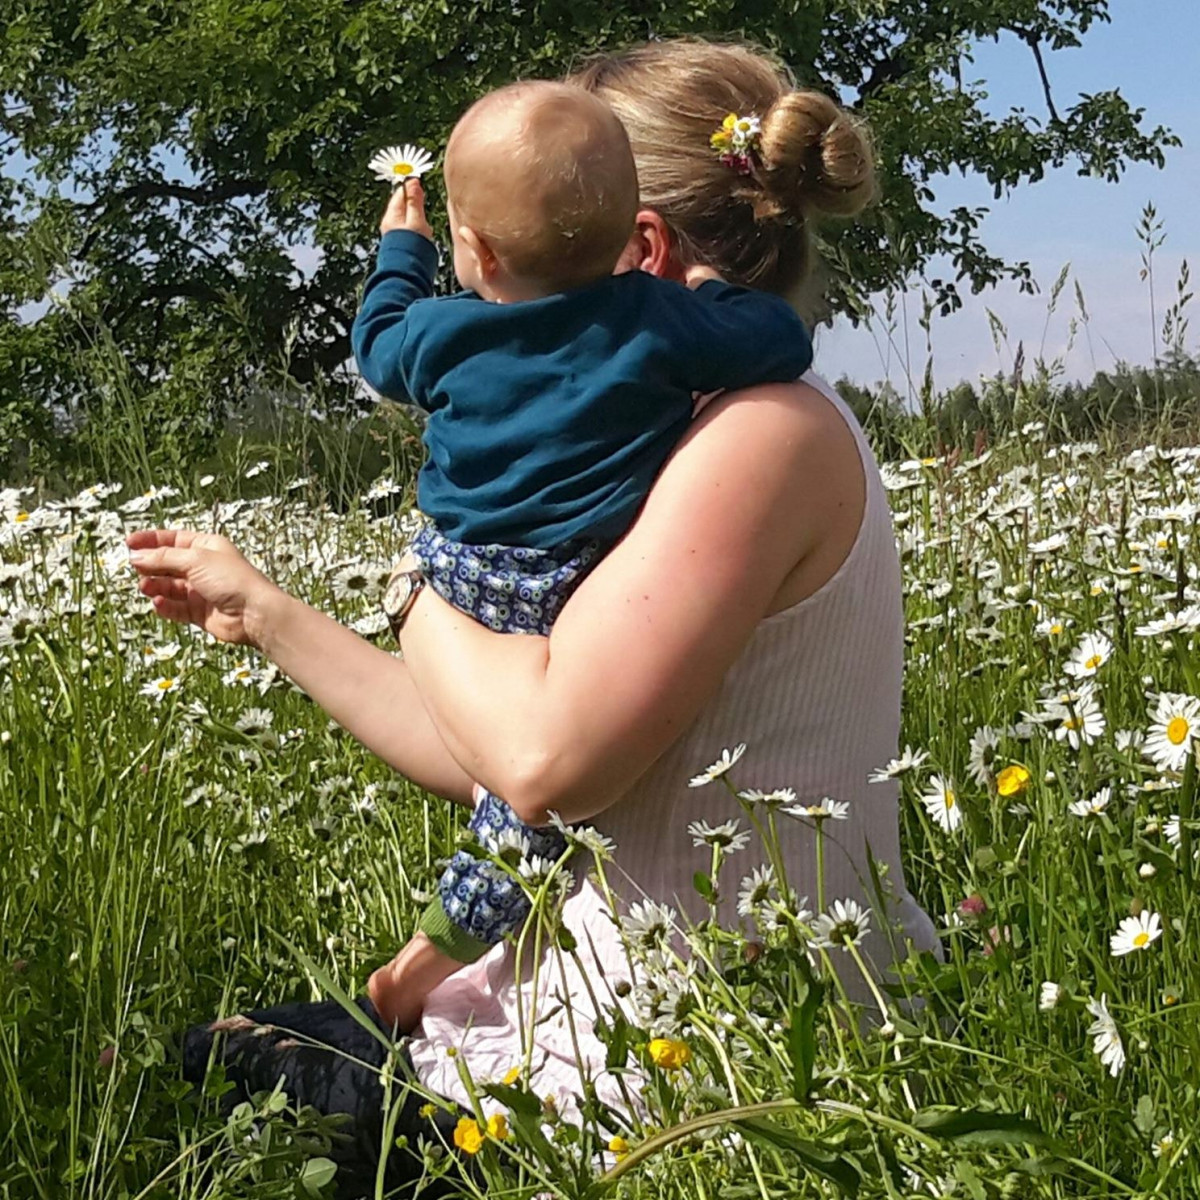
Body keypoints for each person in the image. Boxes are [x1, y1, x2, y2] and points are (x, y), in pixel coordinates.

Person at [127, 36, 937, 1195]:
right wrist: (264, 612)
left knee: (219, 1088)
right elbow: (496, 752)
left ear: (641, 249)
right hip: (629, 1028)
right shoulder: (693, 433)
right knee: (224, 1053)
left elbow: (542, 759)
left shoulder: (764, 439)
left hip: (684, 1078)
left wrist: (424, 577)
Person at [349, 78, 814, 999]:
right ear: (629, 243)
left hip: (459, 573)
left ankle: (433, 965)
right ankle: (438, 957)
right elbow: (778, 340)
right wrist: (714, 288)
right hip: (578, 575)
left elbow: (375, 344)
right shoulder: (652, 322)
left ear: (472, 247)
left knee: (521, 793)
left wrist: (402, 250)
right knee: (528, 811)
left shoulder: (440, 334)